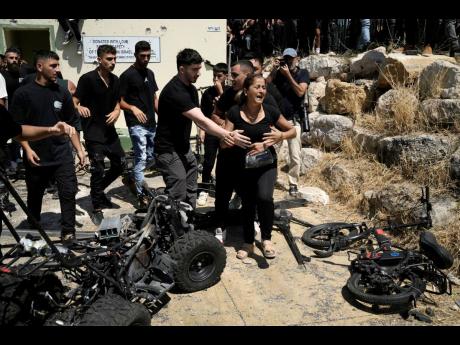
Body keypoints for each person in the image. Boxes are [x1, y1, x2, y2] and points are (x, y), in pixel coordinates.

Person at [154, 48, 251, 209]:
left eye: (199, 69)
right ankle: (174, 229)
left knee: (192, 185)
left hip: (183, 148)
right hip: (167, 149)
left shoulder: (191, 89)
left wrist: (211, 132)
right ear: (182, 69)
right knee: (178, 187)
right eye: (194, 70)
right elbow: (202, 120)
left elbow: (199, 120)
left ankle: (189, 221)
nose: (198, 73)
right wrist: (227, 134)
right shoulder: (174, 91)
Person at [10, 50, 86, 247]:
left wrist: (79, 150)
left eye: (58, 65)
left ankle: (68, 233)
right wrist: (26, 148)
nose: (57, 70)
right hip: (36, 155)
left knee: (68, 192)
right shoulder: (23, 94)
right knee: (35, 195)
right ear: (39, 66)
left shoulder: (62, 92)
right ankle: (33, 230)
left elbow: (70, 124)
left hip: (61, 154)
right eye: (53, 66)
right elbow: (16, 128)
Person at [221, 74, 295, 259]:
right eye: (258, 87)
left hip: (266, 165)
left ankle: (266, 238)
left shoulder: (271, 111)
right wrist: (231, 139)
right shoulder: (234, 112)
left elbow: (293, 130)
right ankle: (248, 243)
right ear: (246, 91)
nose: (262, 90)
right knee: (248, 202)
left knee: (264, 198)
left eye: (264, 87)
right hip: (242, 167)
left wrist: (280, 137)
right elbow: (222, 142)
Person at [73, 45, 125, 225]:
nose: (113, 62)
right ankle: (96, 207)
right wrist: (79, 107)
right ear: (100, 60)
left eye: (114, 59)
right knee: (98, 169)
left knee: (120, 164)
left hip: (109, 132)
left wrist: (117, 112)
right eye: (109, 59)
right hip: (93, 131)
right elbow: (74, 101)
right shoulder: (87, 79)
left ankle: (98, 191)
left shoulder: (115, 80)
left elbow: (118, 102)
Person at [120, 41, 158, 209]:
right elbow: (119, 101)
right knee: (141, 158)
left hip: (151, 123)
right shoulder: (127, 75)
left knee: (152, 157)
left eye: (148, 55)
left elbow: (154, 98)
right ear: (135, 55)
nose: (146, 58)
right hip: (136, 124)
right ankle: (142, 196)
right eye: (142, 56)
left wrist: (162, 115)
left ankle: (132, 177)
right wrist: (132, 107)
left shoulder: (150, 73)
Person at [268, 47, 309, 197]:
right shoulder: (278, 73)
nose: (289, 61)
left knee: (295, 155)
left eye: (291, 58)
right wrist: (274, 70)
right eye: (286, 58)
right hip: (278, 120)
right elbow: (265, 85)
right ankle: (271, 178)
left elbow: (300, 92)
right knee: (271, 152)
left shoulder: (302, 73)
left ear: (297, 58)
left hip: (294, 120)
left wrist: (288, 76)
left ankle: (293, 184)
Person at [198, 62, 230, 189]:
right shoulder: (207, 93)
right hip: (211, 131)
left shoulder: (230, 92)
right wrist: (202, 131)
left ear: (226, 76)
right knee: (209, 160)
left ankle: (222, 186)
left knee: (224, 161)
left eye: (219, 76)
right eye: (214, 76)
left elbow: (232, 113)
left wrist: (221, 93)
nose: (215, 79)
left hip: (226, 131)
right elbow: (203, 115)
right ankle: (205, 187)